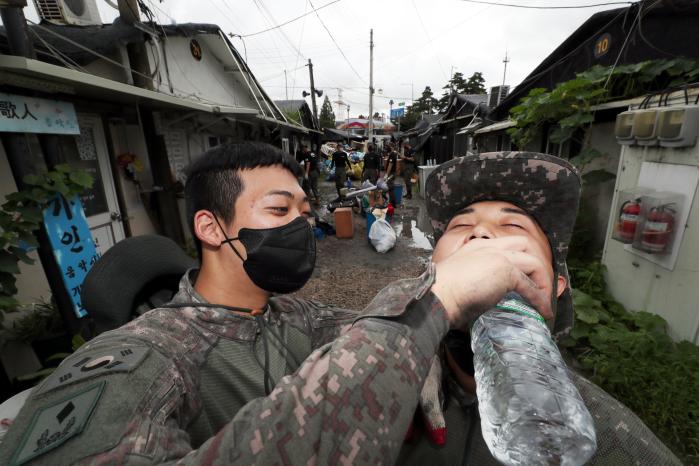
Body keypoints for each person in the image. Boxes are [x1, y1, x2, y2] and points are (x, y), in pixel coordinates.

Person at [0, 143, 553, 466]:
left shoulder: (297, 318)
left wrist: (421, 344)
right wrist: (433, 306)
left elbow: (374, 333)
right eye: (279, 208)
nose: (302, 224)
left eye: (304, 209)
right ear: (212, 227)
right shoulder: (145, 357)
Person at [395, 151, 682, 465]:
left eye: (514, 226)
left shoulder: (621, 446)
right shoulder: (377, 378)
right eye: (461, 225)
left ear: (556, 285)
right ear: (431, 273)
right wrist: (397, 354)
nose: (480, 234)